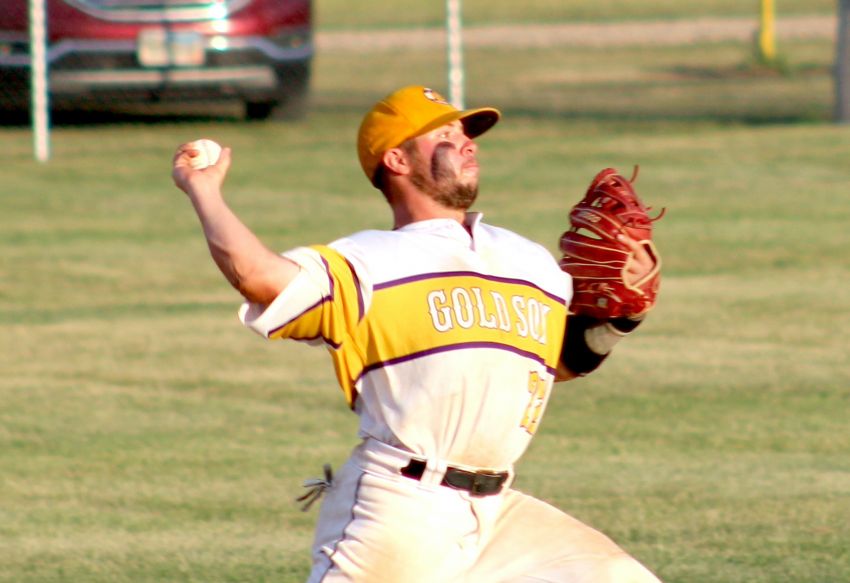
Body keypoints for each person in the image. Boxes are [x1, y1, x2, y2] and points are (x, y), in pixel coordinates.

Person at [172, 85, 663, 583]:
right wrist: (204, 191)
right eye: (445, 135)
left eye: (467, 133)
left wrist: (620, 319)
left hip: (500, 519)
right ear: (397, 160)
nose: (468, 143)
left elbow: (558, 361)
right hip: (401, 509)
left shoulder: (528, 260)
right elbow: (256, 275)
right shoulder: (368, 264)